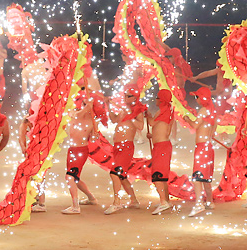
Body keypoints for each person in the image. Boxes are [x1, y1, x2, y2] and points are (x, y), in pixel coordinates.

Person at [104, 87, 145, 215]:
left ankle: (117, 202)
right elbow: (114, 120)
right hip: (117, 147)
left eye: (129, 96)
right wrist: (108, 106)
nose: (125, 98)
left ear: (135, 98)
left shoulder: (137, 111)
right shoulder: (124, 110)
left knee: (114, 173)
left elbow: (140, 126)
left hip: (126, 147)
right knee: (122, 176)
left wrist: (131, 115)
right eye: (125, 95)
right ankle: (134, 200)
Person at [61, 92, 99, 214]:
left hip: (81, 151)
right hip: (72, 150)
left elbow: (93, 139)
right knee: (75, 178)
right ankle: (91, 198)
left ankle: (75, 206)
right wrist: (88, 105)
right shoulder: (75, 114)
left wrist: (94, 135)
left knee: (70, 177)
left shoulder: (92, 121)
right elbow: (74, 115)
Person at [186, 86, 217, 217]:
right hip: (208, 146)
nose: (196, 99)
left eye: (196, 97)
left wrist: (187, 119)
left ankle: (199, 204)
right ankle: (209, 202)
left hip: (202, 147)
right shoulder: (213, 112)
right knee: (206, 178)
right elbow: (213, 129)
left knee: (197, 177)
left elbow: (195, 125)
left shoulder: (203, 110)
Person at [147, 89, 175, 215]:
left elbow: (152, 123)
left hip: (162, 146)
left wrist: (147, 115)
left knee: (158, 175)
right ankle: (166, 201)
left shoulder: (163, 110)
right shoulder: (168, 110)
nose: (156, 100)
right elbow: (161, 129)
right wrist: (152, 136)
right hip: (162, 145)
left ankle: (163, 202)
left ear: (162, 100)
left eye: (158, 98)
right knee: (162, 175)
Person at [18, 111, 47, 212]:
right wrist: (24, 148)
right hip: (34, 150)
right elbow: (21, 135)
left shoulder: (43, 117)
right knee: (33, 175)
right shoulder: (27, 119)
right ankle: (36, 198)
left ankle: (42, 203)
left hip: (41, 149)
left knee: (39, 175)